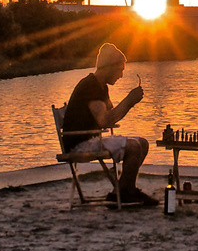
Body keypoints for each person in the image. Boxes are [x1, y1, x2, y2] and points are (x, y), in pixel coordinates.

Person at [60, 43, 153, 205]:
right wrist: (129, 101)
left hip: (91, 140)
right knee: (134, 147)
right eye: (120, 70)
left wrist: (130, 102)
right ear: (109, 66)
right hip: (79, 143)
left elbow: (111, 116)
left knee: (142, 143)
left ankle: (124, 190)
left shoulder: (101, 87)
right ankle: (124, 192)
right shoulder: (90, 86)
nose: (121, 75)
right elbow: (106, 120)